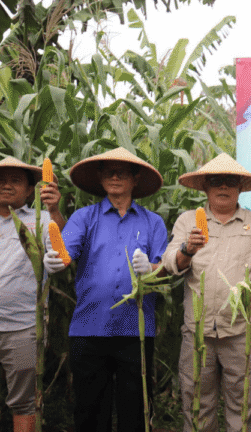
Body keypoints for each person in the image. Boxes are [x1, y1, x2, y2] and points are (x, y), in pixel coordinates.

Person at [43, 147, 167, 432]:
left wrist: (151, 269)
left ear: (135, 178)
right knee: (90, 413)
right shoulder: (84, 218)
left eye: (122, 172)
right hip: (89, 327)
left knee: (134, 414)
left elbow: (166, 268)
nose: (115, 176)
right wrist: (56, 260)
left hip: (136, 331)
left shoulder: (153, 222)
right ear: (100, 178)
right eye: (109, 171)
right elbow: (66, 252)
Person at [163, 153, 251, 432]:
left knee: (243, 407)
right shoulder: (188, 221)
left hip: (242, 330)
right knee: (197, 405)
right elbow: (171, 262)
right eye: (216, 181)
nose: (223, 186)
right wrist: (187, 249)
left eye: (230, 181)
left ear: (240, 187)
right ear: (205, 187)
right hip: (198, 329)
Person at [0, 156, 64, 432]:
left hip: (23, 326)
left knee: (24, 403)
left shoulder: (42, 219)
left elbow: (61, 247)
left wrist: (54, 209)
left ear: (30, 190)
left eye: (15, 181)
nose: (6, 185)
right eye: (1, 180)